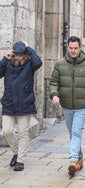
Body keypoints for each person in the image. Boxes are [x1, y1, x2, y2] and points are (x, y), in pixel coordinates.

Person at [49, 36, 85, 177]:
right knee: (72, 133)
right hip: (66, 105)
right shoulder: (60, 64)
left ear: (80, 48)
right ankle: (80, 157)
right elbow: (53, 82)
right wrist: (54, 95)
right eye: (71, 48)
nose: (73, 51)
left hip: (82, 105)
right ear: (67, 48)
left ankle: (72, 161)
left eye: (75, 48)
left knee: (76, 131)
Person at [0, 41, 42, 171]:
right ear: (13, 54)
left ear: (25, 54)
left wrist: (29, 47)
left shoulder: (30, 64)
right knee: (6, 131)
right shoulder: (7, 63)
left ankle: (20, 160)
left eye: (21, 55)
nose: (19, 57)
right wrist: (4, 59)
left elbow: (38, 62)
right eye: (16, 55)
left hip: (24, 103)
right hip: (9, 102)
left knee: (23, 133)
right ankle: (16, 151)